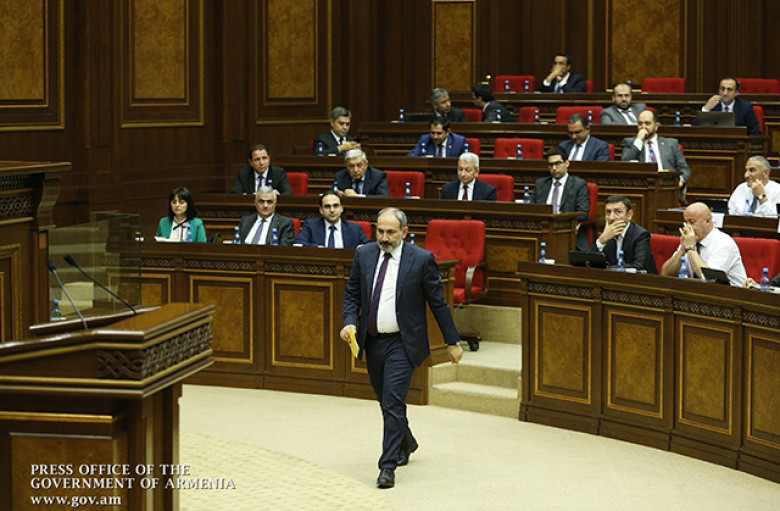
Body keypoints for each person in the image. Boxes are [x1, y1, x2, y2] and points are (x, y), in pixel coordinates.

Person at [340, 207, 463, 489]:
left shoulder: (421, 259)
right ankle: (407, 442)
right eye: (380, 231)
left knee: (393, 401)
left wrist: (452, 341)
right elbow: (352, 294)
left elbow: (438, 303)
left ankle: (387, 466)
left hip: (403, 343)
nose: (384, 237)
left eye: (391, 232)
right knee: (386, 402)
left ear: (404, 232)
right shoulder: (364, 255)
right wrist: (349, 322)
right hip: (373, 341)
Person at [660, 202, 746, 286]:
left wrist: (691, 248)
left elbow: (710, 280)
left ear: (707, 221)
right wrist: (682, 250)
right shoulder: (690, 239)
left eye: (692, 222)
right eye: (686, 222)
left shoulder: (724, 243)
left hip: (731, 293)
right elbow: (665, 274)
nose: (687, 227)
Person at [621, 109, 691, 203]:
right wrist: (638, 140)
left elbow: (685, 169)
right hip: (642, 191)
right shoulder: (629, 142)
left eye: (647, 123)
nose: (643, 127)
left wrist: (679, 182)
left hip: (667, 190)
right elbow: (625, 164)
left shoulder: (671, 144)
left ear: (656, 126)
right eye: (640, 123)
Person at [530, 147, 590, 250]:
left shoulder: (578, 185)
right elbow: (532, 208)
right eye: (550, 165)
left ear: (567, 163)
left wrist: (560, 220)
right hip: (542, 230)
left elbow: (583, 214)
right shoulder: (540, 184)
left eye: (557, 163)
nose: (554, 168)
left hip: (566, 231)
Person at [589, 195, 657, 273]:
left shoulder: (641, 235)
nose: (611, 217)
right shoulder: (605, 235)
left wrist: (609, 269)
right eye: (608, 212)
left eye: (618, 212)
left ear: (629, 215)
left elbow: (638, 267)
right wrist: (601, 241)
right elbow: (590, 263)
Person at [293, 191, 370, 248]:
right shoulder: (311, 225)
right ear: (321, 210)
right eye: (327, 206)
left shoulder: (354, 228)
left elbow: (369, 246)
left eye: (335, 206)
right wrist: (319, 249)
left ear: (341, 208)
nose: (332, 210)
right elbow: (297, 244)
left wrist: (362, 248)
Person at [696, 77, 761, 135]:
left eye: (729, 90)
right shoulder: (712, 105)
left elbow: (755, 133)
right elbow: (694, 128)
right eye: (722, 89)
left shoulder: (745, 108)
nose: (725, 93)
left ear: (736, 92)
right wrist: (706, 109)